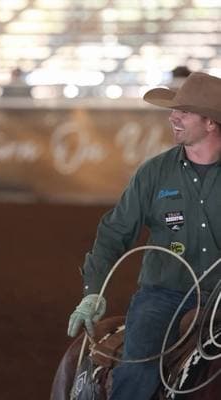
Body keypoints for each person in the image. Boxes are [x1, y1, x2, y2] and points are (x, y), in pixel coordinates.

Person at [67, 71, 221, 400]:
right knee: (138, 368)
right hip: (165, 295)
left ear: (210, 122)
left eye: (184, 112)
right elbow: (114, 233)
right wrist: (93, 292)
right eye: (174, 110)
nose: (173, 117)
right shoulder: (154, 173)